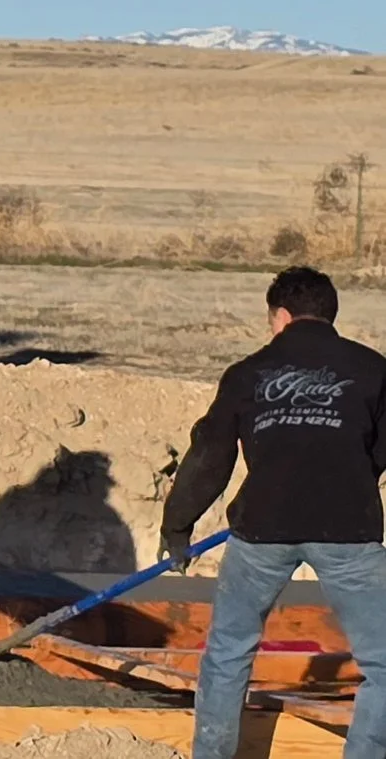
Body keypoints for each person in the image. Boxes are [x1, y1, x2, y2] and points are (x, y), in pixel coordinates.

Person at [162, 266, 386, 759]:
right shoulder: (373, 371)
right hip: (349, 530)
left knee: (227, 656)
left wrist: (177, 527)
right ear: (331, 315)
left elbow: (208, 458)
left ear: (280, 317)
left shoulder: (246, 374)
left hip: (261, 530)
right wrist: (347, 475)